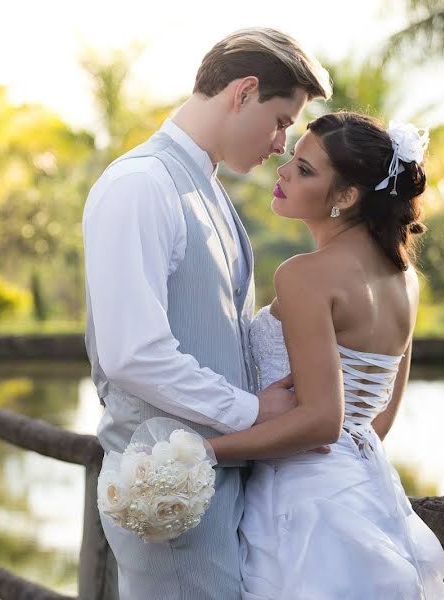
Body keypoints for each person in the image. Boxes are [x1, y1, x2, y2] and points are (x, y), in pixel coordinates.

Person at [83, 27, 331, 598]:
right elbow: (132, 354)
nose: (280, 144)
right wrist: (253, 411)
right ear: (243, 92)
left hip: (216, 489)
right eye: (280, 121)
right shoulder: (141, 185)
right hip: (165, 493)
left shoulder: (208, 189)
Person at [208, 112, 444, 599]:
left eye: (304, 169)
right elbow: (375, 421)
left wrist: (203, 453)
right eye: (292, 160)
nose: (282, 171)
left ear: (346, 197)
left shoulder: (304, 276)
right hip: (367, 490)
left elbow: (322, 421)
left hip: (302, 504)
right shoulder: (405, 280)